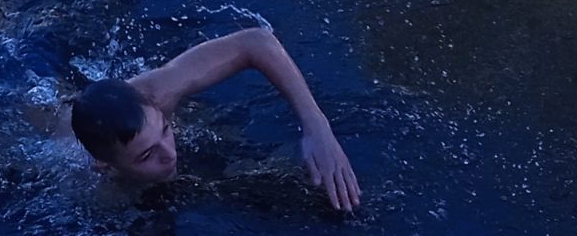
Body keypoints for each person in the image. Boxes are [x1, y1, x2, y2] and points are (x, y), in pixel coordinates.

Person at [71, 27, 360, 213]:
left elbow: (255, 41)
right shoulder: (80, 185)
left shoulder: (159, 92)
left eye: (166, 131)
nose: (171, 154)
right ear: (104, 164)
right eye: (147, 154)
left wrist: (317, 128)